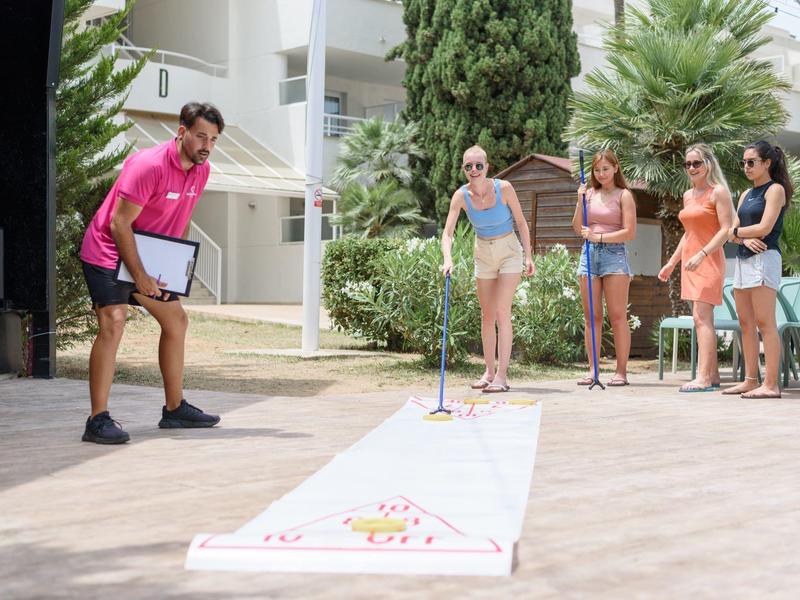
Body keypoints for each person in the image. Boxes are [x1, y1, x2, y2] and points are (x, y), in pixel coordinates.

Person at [78, 102, 225, 444]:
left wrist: (173, 265)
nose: (207, 145)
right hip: (107, 250)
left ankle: (174, 410)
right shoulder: (149, 165)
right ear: (182, 132)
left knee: (176, 321)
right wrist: (140, 275)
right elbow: (119, 224)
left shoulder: (201, 170)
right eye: (201, 136)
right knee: (114, 322)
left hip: (145, 256)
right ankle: (97, 420)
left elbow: (182, 216)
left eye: (214, 139)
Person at [440, 145, 535, 393]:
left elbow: (521, 222)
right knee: (487, 315)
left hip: (509, 251)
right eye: (468, 166)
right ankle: (489, 372)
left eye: (478, 165)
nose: (474, 170)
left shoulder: (504, 188)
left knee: (502, 311)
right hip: (483, 253)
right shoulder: (461, 196)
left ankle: (502, 376)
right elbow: (447, 233)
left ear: (487, 167)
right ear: (464, 169)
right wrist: (447, 259)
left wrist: (528, 256)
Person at [658, 144, 734, 392]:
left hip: (709, 260)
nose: (691, 168)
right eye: (687, 164)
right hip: (691, 262)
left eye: (696, 163)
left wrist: (703, 254)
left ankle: (702, 378)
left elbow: (726, 230)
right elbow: (688, 234)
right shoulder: (687, 196)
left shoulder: (718, 192)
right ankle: (712, 376)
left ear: (708, 164)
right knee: (700, 318)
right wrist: (672, 263)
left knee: (702, 318)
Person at [722, 141, 792, 399]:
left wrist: (736, 233)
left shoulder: (775, 190)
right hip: (743, 261)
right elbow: (731, 234)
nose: (746, 166)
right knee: (745, 323)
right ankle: (751, 380)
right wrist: (741, 238)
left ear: (767, 163)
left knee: (765, 322)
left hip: (764, 258)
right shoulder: (745, 194)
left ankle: (771, 385)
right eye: (743, 162)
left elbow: (764, 228)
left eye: (751, 162)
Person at [572, 149, 637, 386]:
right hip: (588, 255)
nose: (601, 174)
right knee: (592, 316)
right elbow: (577, 227)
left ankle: (621, 372)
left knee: (618, 316)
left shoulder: (624, 195)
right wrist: (579, 202)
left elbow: (629, 232)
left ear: (616, 168)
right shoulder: (589, 194)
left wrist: (599, 237)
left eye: (606, 169)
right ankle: (593, 371)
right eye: (597, 170)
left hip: (614, 255)